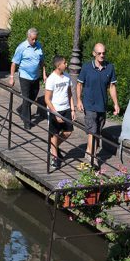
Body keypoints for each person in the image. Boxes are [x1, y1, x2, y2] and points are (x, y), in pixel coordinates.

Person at [75, 42, 120, 170]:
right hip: (89, 104)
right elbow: (79, 84)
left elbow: (112, 86)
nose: (102, 55)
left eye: (104, 53)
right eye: (99, 53)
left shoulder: (110, 67)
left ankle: (89, 152)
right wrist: (78, 100)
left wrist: (116, 103)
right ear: (94, 54)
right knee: (92, 131)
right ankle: (92, 157)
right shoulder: (86, 67)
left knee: (98, 131)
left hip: (102, 105)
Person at [43, 55, 76, 170]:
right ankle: (55, 158)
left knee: (68, 131)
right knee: (55, 134)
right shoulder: (51, 79)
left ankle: (53, 148)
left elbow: (70, 94)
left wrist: (72, 109)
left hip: (66, 108)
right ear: (58, 65)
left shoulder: (67, 77)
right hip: (55, 109)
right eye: (64, 63)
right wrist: (55, 113)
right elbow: (47, 99)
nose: (66, 65)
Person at [9, 27, 45, 130]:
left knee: (33, 97)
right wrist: (11, 77)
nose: (34, 41)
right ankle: (27, 123)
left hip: (35, 76)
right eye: (32, 39)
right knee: (26, 98)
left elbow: (42, 61)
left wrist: (44, 74)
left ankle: (21, 109)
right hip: (24, 76)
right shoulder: (22, 47)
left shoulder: (39, 46)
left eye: (35, 39)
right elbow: (14, 63)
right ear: (28, 37)